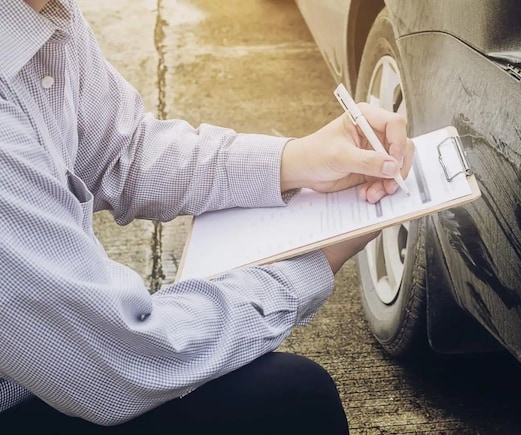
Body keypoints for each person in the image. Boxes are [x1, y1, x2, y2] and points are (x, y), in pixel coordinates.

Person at [0, 0, 414, 433]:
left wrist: (295, 160)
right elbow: (116, 363)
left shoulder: (45, 13)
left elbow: (121, 152)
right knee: (293, 402)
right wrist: (308, 263)